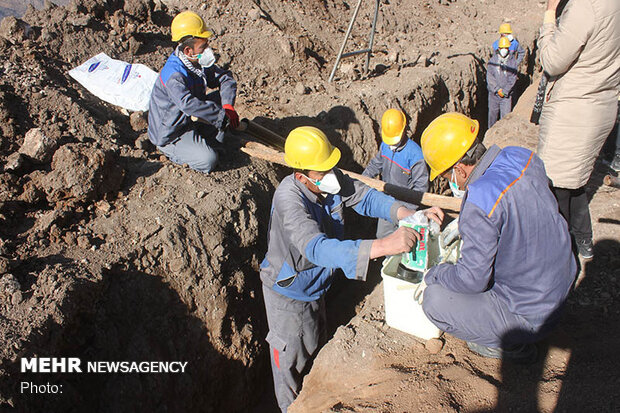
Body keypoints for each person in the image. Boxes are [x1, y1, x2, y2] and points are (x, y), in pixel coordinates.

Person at [260, 126, 443, 411]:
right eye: (323, 172)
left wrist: (408, 213)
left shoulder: (324, 180)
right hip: (290, 292)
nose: (333, 176)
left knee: (314, 343)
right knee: (291, 358)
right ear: (302, 177)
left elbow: (366, 197)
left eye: (332, 167)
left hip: (316, 283)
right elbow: (316, 248)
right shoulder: (289, 201)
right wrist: (383, 246)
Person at [416, 112, 576, 362]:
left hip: (530, 313)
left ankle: (512, 345)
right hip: (561, 283)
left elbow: (471, 281)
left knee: (434, 300)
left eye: (447, 176)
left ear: (459, 167)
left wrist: (437, 272)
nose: (450, 183)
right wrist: (468, 224)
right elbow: (521, 208)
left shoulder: (480, 201)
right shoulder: (520, 156)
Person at [537, 0, 620, 259]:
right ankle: (583, 242)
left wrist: (550, 15)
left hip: (575, 109)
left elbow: (552, 61)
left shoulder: (585, 6)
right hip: (600, 103)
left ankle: (555, 254)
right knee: (575, 181)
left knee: (553, 185)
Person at [147, 11, 239, 173]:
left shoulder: (196, 63)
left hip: (185, 121)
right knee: (209, 160)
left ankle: (208, 136)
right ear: (189, 50)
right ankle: (172, 151)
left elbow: (225, 79)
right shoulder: (174, 75)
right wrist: (219, 117)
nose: (208, 50)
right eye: (203, 47)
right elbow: (187, 104)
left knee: (220, 100)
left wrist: (227, 107)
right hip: (170, 133)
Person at [362, 108, 429, 237]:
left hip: (407, 207)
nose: (391, 144)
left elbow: (421, 187)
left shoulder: (415, 155)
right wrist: (362, 180)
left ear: (404, 130)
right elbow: (375, 165)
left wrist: (406, 210)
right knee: (382, 236)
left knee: (405, 240)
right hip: (387, 201)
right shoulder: (385, 145)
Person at [487, 37, 519, 128]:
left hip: (506, 96)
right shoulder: (492, 62)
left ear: (509, 49)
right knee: (492, 117)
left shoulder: (512, 63)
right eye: (502, 48)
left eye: (506, 48)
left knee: (505, 119)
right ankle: (490, 136)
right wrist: (497, 90)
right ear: (498, 49)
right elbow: (490, 78)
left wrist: (505, 91)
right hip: (494, 95)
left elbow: (512, 79)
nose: (504, 50)